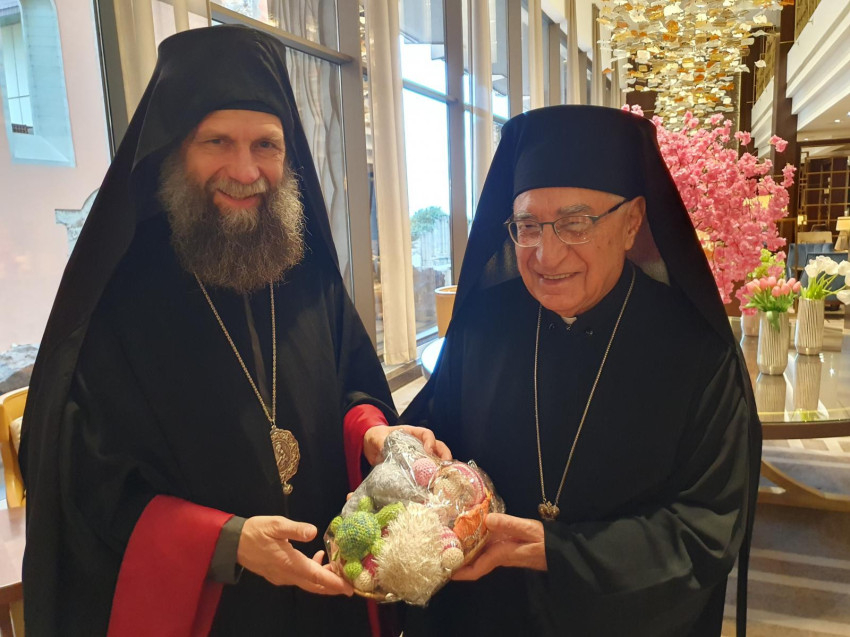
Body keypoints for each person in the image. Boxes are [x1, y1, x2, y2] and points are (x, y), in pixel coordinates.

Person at [20, 25, 447, 636]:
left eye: (266, 145)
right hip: (214, 609)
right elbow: (87, 482)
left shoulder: (305, 272)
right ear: (175, 150)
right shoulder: (119, 296)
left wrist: (373, 435)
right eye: (216, 141)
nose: (245, 171)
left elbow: (349, 386)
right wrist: (226, 541)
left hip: (329, 593)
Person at [401, 106, 760, 636]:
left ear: (632, 222)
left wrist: (557, 551)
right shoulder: (482, 326)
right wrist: (404, 446)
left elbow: (709, 526)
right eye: (528, 226)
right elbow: (434, 434)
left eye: (575, 224)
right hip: (488, 614)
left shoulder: (696, 351)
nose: (547, 255)